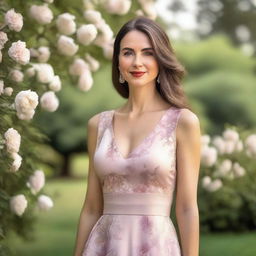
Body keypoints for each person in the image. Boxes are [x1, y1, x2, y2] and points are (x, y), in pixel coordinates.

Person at [74, 16, 201, 256]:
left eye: (148, 53)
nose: (137, 62)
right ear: (118, 61)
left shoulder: (182, 122)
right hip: (104, 246)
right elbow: (91, 207)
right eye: (128, 53)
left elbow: (186, 208)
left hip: (156, 245)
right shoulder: (97, 125)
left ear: (161, 60)